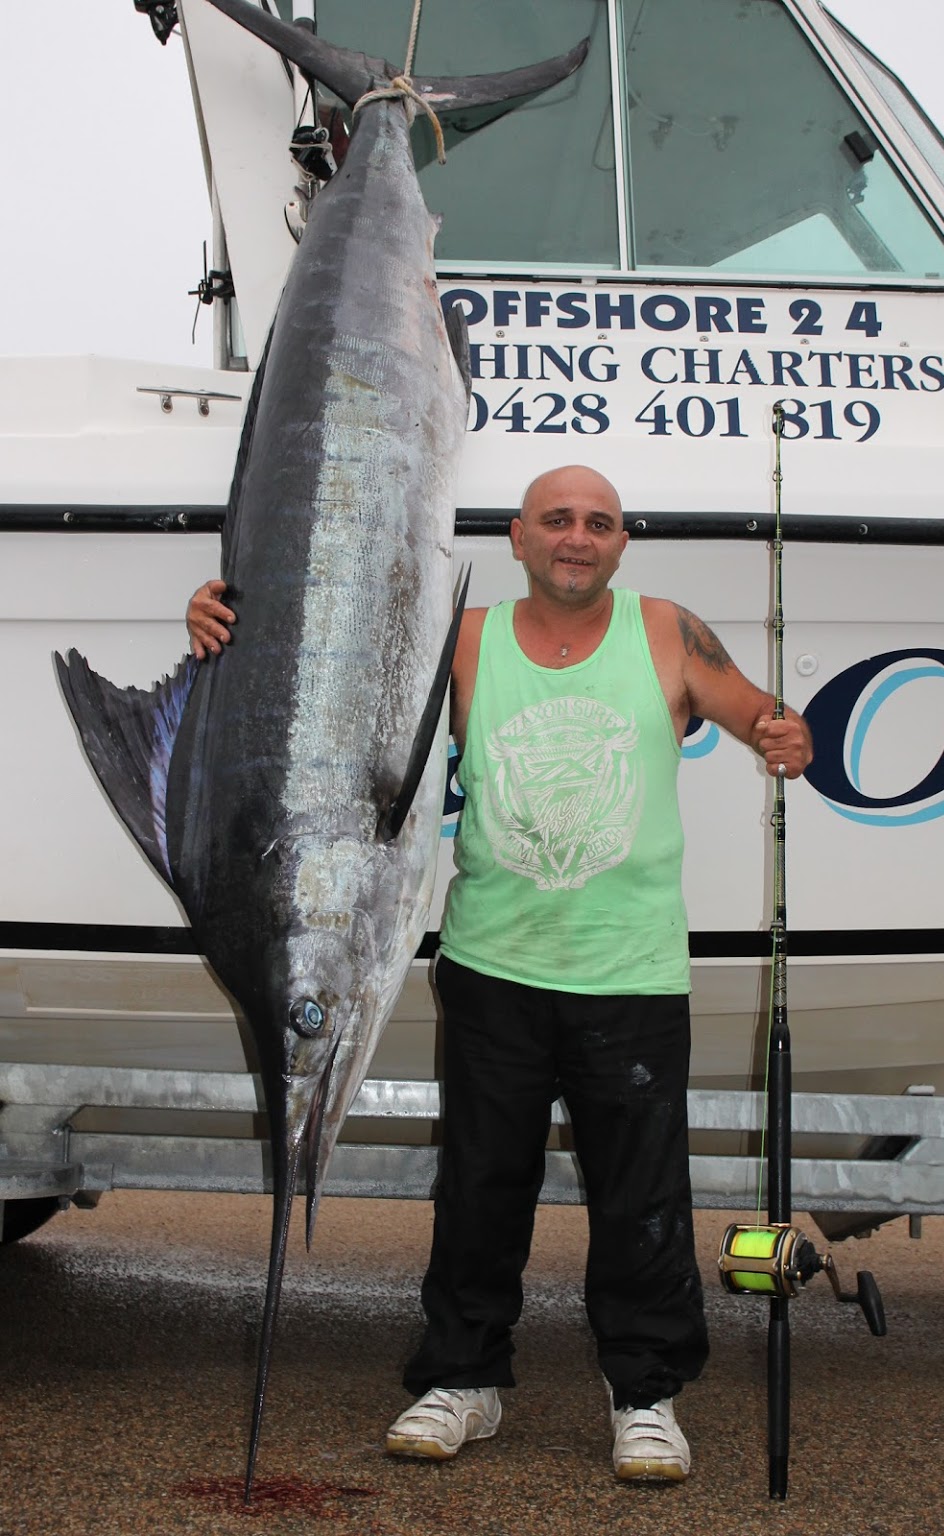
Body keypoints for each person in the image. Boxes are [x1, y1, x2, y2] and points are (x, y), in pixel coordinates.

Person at [186, 463, 812, 1483]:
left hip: (632, 974)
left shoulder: (667, 633)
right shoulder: (462, 640)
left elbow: (766, 719)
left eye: (599, 523)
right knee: (478, 1189)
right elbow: (332, 692)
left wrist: (788, 737)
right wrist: (223, 623)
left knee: (641, 1200)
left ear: (621, 542)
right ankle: (463, 1378)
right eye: (557, 520)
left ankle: (644, 1393)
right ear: (517, 538)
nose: (578, 536)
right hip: (491, 967)